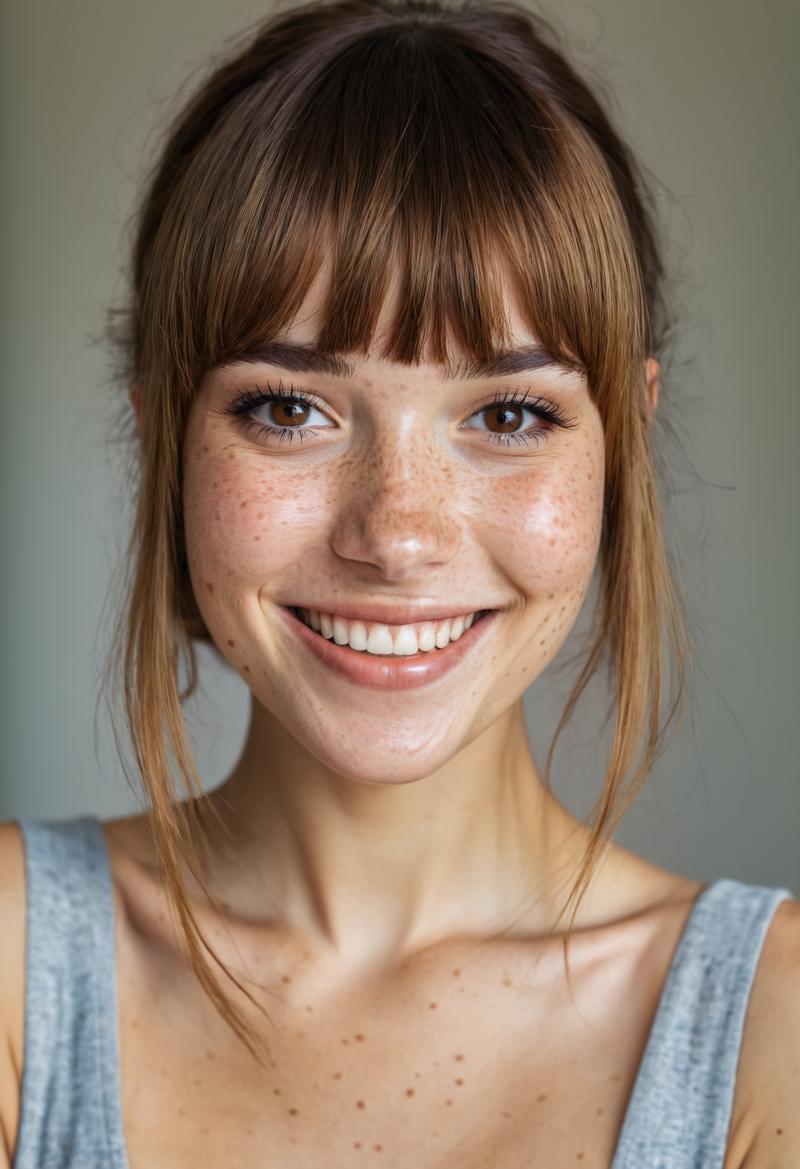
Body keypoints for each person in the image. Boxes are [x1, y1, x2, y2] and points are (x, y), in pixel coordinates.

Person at [0, 0, 797, 1165]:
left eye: (509, 413)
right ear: (163, 439)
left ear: (623, 439)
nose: (397, 533)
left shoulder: (772, 1027)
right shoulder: (15, 964)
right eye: (288, 407)